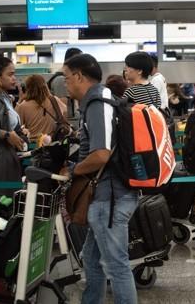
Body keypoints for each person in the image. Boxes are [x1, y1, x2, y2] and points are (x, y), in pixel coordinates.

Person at [62, 54, 138, 304]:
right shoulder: (98, 101)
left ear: (79, 76)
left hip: (109, 198)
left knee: (117, 266)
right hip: (106, 197)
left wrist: (73, 171)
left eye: (66, 77)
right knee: (92, 259)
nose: (65, 83)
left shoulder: (97, 103)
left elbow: (101, 155)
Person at [0, 56, 25, 197]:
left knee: (11, 203)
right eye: (10, 74)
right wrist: (7, 134)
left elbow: (10, 125)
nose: (14, 78)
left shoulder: (5, 98)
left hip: (8, 157)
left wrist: (20, 132)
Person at [15, 74, 67, 141]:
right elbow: (65, 112)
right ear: (45, 86)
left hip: (33, 145)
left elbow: (15, 125)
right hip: (52, 142)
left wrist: (20, 100)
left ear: (28, 88)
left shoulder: (23, 106)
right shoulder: (54, 100)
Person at [50, 47, 82, 118]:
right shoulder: (61, 80)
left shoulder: (67, 77)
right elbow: (62, 108)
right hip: (69, 121)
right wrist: (67, 127)